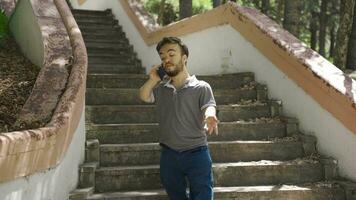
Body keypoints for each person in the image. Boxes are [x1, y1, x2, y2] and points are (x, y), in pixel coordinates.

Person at [139, 36, 218, 200]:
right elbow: (144, 95)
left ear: (184, 58)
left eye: (171, 54)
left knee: (203, 195)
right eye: (162, 57)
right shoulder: (162, 89)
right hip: (169, 155)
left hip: (197, 153)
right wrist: (153, 79)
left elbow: (209, 106)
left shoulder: (201, 87)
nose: (166, 60)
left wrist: (210, 115)